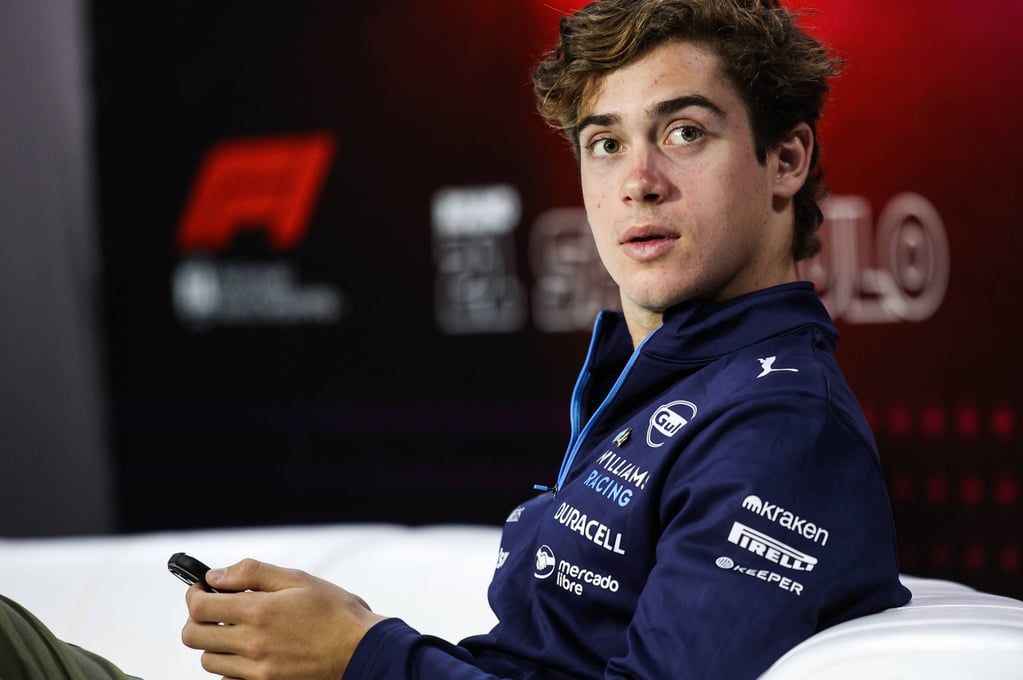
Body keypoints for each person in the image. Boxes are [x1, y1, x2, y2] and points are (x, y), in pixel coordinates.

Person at [0, 1, 910, 678]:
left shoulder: (781, 428)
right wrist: (347, 636)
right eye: (604, 143)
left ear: (786, 160)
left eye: (683, 132)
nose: (638, 179)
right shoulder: (668, 381)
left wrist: (361, 655)